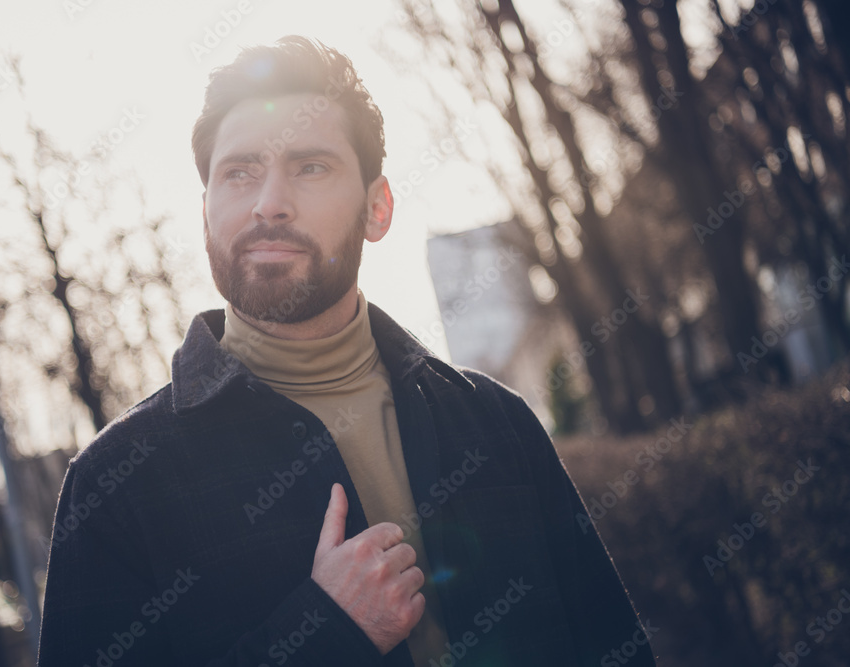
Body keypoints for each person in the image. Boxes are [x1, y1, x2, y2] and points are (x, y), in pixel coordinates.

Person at [37, 36, 656, 667]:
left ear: (377, 208)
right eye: (239, 172)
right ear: (204, 217)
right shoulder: (117, 487)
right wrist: (324, 636)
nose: (268, 202)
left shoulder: (499, 425)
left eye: (310, 167)